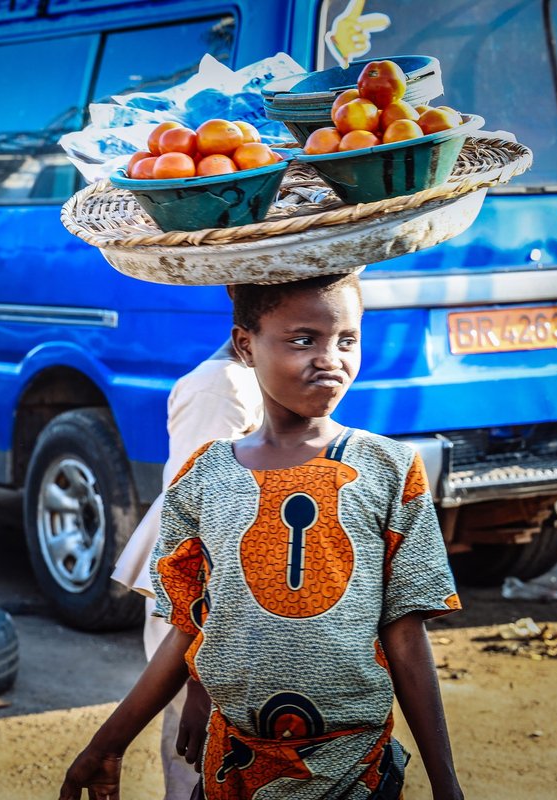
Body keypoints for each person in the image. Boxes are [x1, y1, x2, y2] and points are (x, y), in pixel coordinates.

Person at [59, 272, 465, 800]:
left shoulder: (390, 470)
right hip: (234, 770)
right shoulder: (205, 477)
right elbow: (188, 627)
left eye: (347, 340)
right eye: (303, 340)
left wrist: (446, 783)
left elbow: (406, 637)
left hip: (355, 773)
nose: (330, 359)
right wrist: (109, 743)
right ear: (246, 346)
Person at [111, 337, 263, 800]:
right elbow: (199, 525)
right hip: (201, 608)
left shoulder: (249, 378)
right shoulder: (220, 387)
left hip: (230, 606)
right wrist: (199, 676)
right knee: (201, 753)